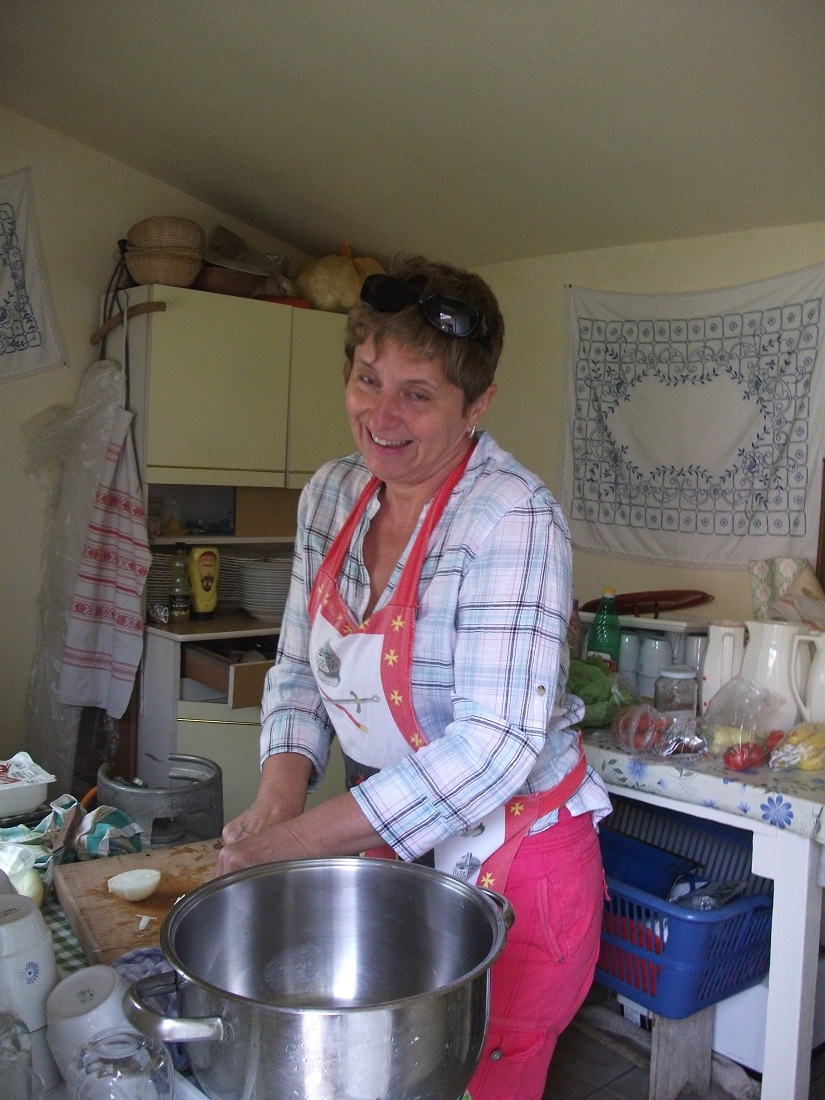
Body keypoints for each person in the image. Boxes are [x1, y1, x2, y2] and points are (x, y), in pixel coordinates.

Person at [219, 255, 611, 1099]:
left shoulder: (511, 517)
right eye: (367, 378)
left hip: (513, 862)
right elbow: (300, 667)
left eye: (417, 394)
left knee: (472, 1077)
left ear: (476, 406)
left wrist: (295, 846)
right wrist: (276, 803)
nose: (381, 415)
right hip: (394, 843)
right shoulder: (331, 494)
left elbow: (492, 746)